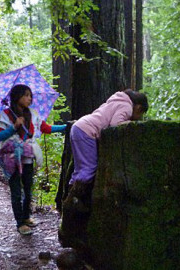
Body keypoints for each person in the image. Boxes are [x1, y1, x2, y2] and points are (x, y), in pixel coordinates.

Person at [66, 89, 148, 245]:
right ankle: (75, 203)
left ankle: (71, 199)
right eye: (141, 114)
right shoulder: (127, 106)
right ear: (138, 108)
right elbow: (115, 124)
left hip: (79, 128)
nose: (140, 118)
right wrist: (133, 124)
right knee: (89, 169)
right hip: (87, 132)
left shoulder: (117, 100)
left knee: (81, 169)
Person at [0, 84, 66, 235]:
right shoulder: (5, 115)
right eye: (26, 95)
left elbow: (46, 128)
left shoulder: (33, 114)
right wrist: (14, 127)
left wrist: (66, 127)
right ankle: (20, 223)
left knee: (28, 188)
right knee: (16, 191)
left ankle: (26, 216)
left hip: (27, 157)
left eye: (30, 95)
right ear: (17, 96)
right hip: (12, 159)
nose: (29, 98)